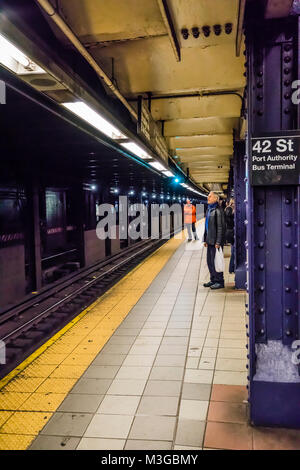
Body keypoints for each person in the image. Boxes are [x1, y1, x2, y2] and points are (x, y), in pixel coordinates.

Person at [203, 191, 226, 289]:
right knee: (210, 261)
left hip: (215, 241)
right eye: (208, 196)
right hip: (209, 240)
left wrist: (218, 242)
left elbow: (221, 227)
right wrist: (205, 239)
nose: (208, 197)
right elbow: (206, 226)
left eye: (210, 196)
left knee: (217, 261)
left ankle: (220, 281)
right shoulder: (209, 210)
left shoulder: (218, 210)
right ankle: (213, 279)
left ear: (216, 199)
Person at [225, 198, 235, 274]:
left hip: (231, 232)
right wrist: (233, 211)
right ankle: (231, 268)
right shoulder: (229, 208)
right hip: (230, 232)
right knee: (234, 251)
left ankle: (232, 268)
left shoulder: (229, 208)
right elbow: (228, 216)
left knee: (233, 250)